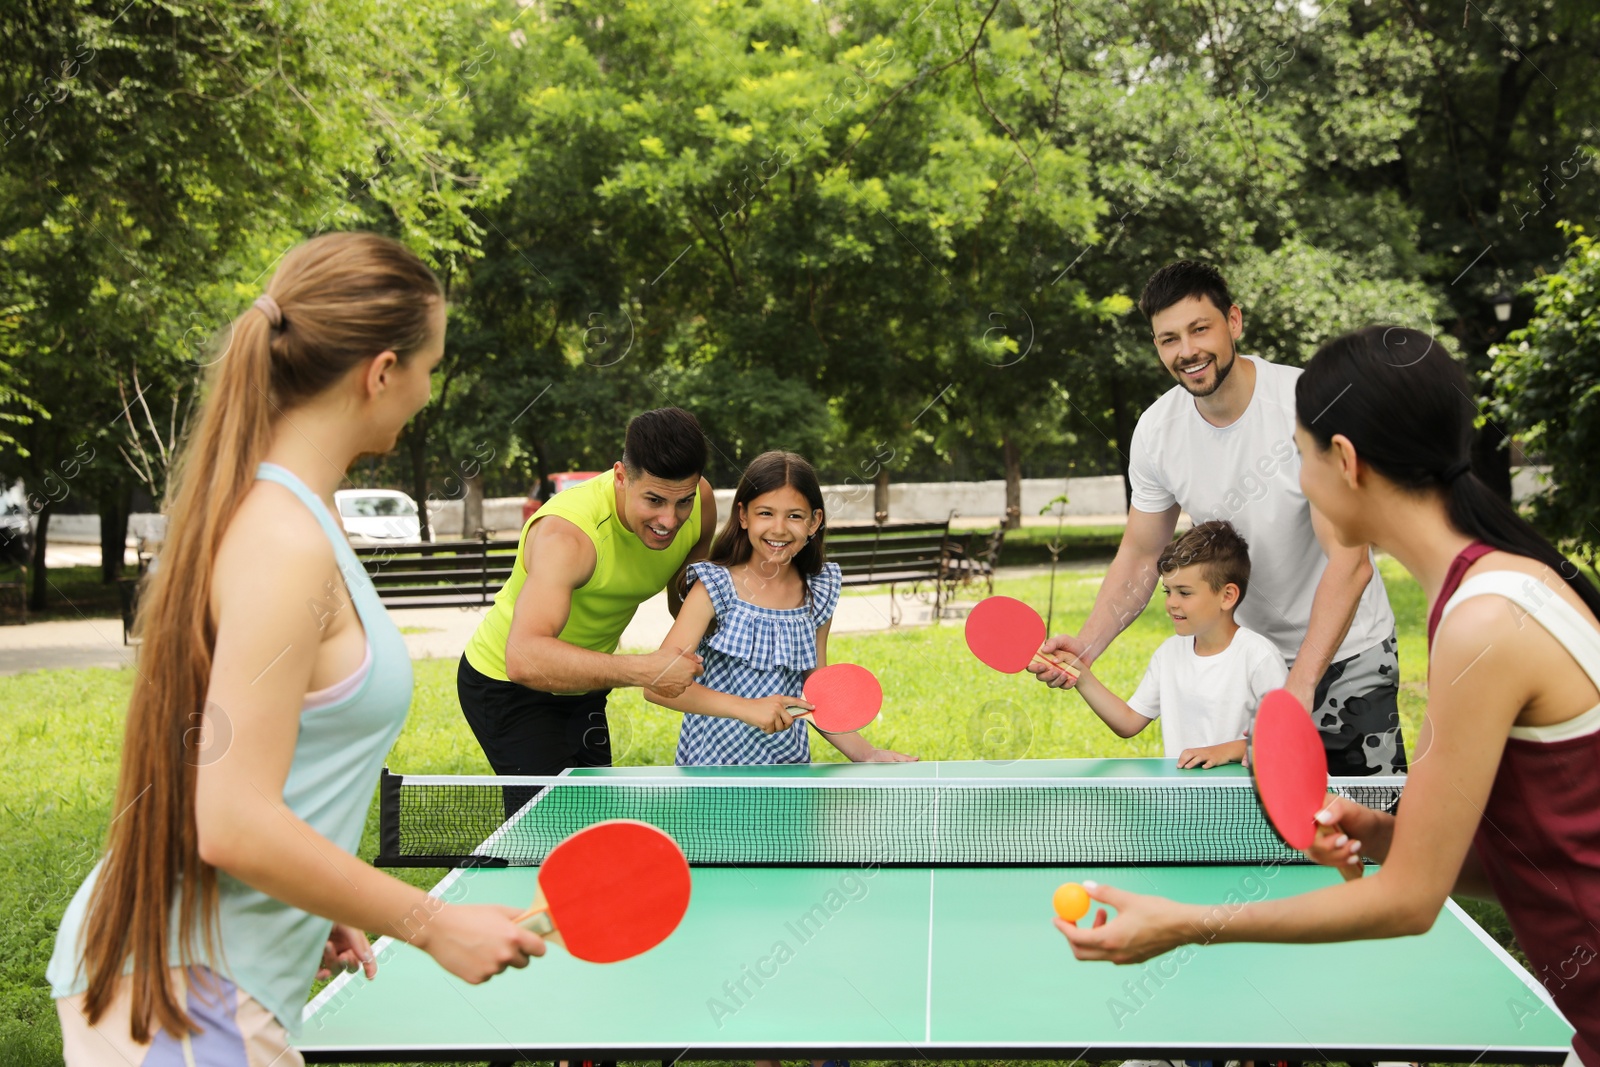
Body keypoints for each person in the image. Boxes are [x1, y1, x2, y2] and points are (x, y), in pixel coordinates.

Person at [48, 233, 544, 1066]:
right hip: (186, 993)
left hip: (193, 974)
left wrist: (309, 897)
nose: (429, 390)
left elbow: (244, 768)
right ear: (380, 371)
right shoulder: (283, 539)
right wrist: (433, 922)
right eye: (430, 365)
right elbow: (233, 822)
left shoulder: (292, 515)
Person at [1055, 326, 1600, 1067]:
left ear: (1342, 461)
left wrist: (1182, 924)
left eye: (1298, 455)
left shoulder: (1484, 625)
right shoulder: (1493, 589)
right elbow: (1534, 859)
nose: (1295, 480)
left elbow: (1408, 901)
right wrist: (1380, 835)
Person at [1034, 261, 1405, 777]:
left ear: (1234, 322)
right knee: (1257, 834)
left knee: (1366, 829)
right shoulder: (1157, 432)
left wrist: (1298, 689)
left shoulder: (1307, 408)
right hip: (1241, 660)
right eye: (1168, 339)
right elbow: (1142, 553)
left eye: (1199, 329)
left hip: (1349, 654)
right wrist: (1087, 647)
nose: (1186, 351)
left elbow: (1352, 561)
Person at [458, 407, 732, 786]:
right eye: (653, 500)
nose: (669, 520)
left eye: (681, 501)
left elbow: (685, 602)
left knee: (593, 810)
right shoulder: (567, 536)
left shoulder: (700, 503)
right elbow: (524, 658)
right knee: (548, 825)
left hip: (584, 684)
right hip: (507, 684)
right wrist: (646, 670)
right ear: (621, 477)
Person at [646, 450, 915, 768]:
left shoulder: (819, 590)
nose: (779, 528)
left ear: (814, 521)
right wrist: (746, 707)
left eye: (794, 516)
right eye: (765, 513)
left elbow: (815, 695)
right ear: (743, 516)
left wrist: (866, 753)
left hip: (788, 773)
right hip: (712, 776)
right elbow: (658, 685)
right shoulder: (713, 586)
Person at [1073, 520, 1286, 769]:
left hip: (1246, 802)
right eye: (1168, 591)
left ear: (1227, 596)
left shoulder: (1259, 657)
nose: (1172, 603)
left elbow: (1286, 739)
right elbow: (1128, 722)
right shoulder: (1168, 654)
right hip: (1184, 803)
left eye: (1184, 593)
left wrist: (1229, 750)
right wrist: (1080, 675)